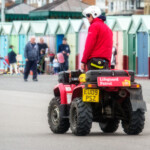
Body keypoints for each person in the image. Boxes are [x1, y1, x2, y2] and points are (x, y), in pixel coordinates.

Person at [81, 6, 113, 70]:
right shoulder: (108, 28)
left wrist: (83, 61)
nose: (87, 18)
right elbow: (109, 46)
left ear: (94, 15)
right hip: (105, 62)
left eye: (88, 15)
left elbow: (89, 45)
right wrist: (109, 63)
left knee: (92, 79)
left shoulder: (94, 26)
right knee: (102, 80)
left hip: (94, 61)